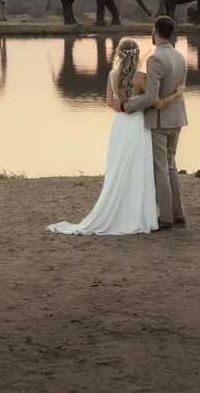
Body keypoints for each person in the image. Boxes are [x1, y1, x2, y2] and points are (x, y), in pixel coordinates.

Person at [47, 37, 186, 235]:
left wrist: (122, 106)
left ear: (119, 54)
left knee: (120, 167)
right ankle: (140, 214)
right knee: (139, 170)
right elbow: (156, 103)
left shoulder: (112, 75)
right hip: (138, 127)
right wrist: (177, 94)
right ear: (137, 55)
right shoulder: (142, 78)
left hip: (120, 127)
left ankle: (119, 209)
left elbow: (111, 104)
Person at [123, 16, 188, 230]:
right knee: (170, 166)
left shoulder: (155, 59)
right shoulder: (180, 56)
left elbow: (151, 96)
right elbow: (178, 89)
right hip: (177, 118)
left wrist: (127, 105)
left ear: (155, 31)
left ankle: (166, 218)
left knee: (160, 168)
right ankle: (178, 215)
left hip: (160, 121)